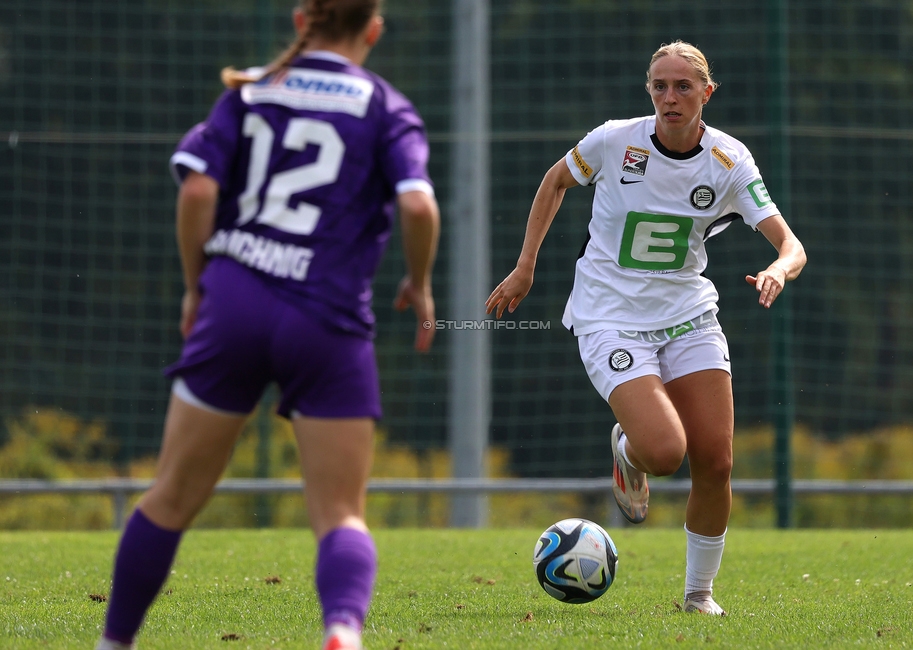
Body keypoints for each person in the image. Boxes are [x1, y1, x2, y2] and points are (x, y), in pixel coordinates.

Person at [95, 1, 440, 649]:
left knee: (170, 497)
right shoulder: (385, 106)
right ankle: (340, 628)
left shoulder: (253, 89)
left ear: (301, 18)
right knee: (340, 513)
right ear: (373, 29)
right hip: (327, 318)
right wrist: (418, 283)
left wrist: (197, 286)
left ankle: (113, 642)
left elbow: (196, 191)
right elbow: (418, 203)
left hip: (235, 303)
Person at [486, 40, 806, 615]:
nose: (670, 97)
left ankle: (697, 595)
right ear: (649, 93)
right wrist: (525, 265)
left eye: (684, 86)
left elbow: (790, 244)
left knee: (716, 459)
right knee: (664, 452)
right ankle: (629, 452)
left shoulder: (730, 161)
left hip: (688, 314)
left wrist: (777, 270)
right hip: (609, 316)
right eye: (660, 86)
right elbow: (555, 180)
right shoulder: (615, 140)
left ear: (708, 93)